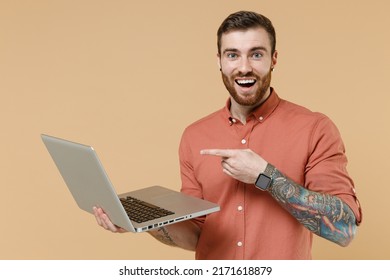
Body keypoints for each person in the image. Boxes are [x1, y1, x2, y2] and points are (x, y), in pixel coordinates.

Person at [94, 10, 362, 259]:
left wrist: (266, 177)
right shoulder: (194, 136)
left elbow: (344, 229)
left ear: (274, 59)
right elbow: (198, 235)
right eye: (232, 55)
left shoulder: (314, 128)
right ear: (219, 61)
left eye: (256, 54)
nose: (244, 67)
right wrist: (143, 222)